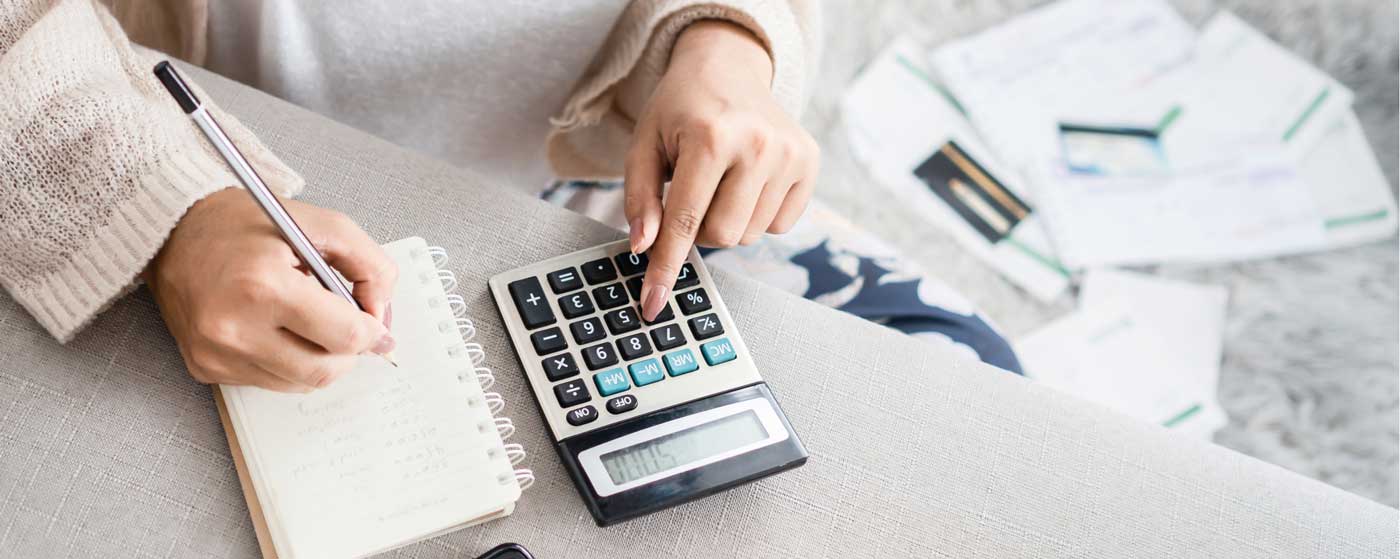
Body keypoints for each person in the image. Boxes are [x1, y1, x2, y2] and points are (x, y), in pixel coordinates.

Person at [1, 0, 1017, 394]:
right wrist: (165, 209)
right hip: (191, 172)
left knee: (964, 378)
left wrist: (725, 44)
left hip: (590, 175)